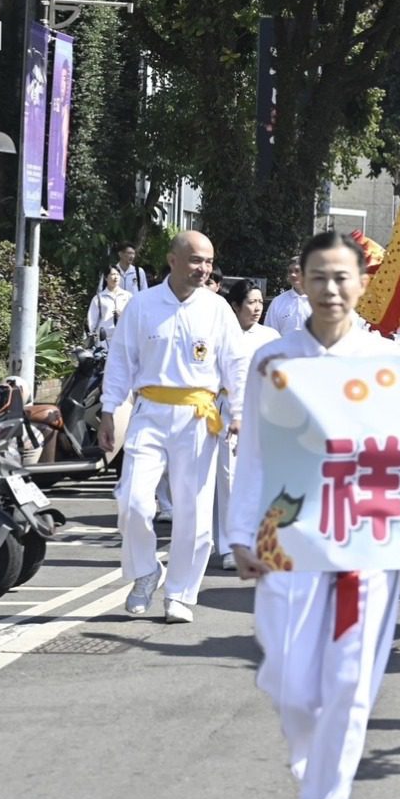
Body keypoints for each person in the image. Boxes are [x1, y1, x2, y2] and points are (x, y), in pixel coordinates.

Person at [230, 231, 400, 799]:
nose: (331, 289)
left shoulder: (386, 360)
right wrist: (240, 534)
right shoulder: (274, 360)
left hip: (366, 543)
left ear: (362, 284)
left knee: (350, 685)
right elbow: (253, 455)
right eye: (319, 277)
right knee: (289, 681)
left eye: (342, 277)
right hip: (288, 536)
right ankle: (311, 752)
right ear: (300, 282)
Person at [99, 230, 248, 624]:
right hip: (149, 412)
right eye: (197, 260)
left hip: (198, 417)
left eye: (209, 262)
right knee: (132, 500)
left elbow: (236, 365)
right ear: (173, 260)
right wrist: (109, 409)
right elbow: (121, 360)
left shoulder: (217, 309)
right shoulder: (143, 305)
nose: (204, 269)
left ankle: (180, 593)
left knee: (194, 514)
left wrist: (238, 412)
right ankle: (146, 570)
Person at [214, 279, 281, 571]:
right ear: (235, 305)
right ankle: (230, 546)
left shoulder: (270, 337)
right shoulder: (221, 334)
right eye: (250, 302)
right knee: (228, 480)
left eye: (259, 302)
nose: (256, 308)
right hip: (227, 413)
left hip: (263, 413)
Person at [265, 256, 312, 336]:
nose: (293, 274)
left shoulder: (319, 301)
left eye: (297, 271)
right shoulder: (278, 302)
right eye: (290, 271)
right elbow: (269, 334)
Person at [87, 266, 132, 343]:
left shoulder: (128, 296)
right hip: (104, 340)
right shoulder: (98, 298)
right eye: (113, 274)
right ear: (106, 278)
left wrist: (122, 315)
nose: (116, 277)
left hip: (124, 337)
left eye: (118, 274)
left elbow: (133, 316)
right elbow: (91, 320)